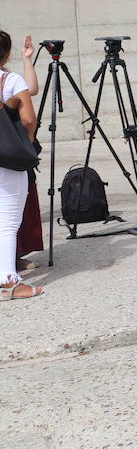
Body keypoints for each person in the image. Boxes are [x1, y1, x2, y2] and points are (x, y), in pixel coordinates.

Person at [1, 30, 41, 301]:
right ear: (7, 53)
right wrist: (24, 143)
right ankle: (8, 282)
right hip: (6, 159)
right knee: (7, 222)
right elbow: (28, 120)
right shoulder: (10, 80)